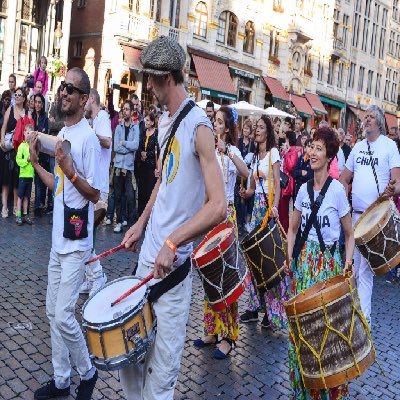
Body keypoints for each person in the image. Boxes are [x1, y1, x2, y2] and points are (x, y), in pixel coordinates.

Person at [119, 36, 226, 400]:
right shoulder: (166, 121)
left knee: (160, 378)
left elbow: (218, 206)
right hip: (147, 262)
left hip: (173, 271)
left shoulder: (199, 126)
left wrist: (173, 241)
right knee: (128, 362)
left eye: (151, 79)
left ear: (167, 78)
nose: (147, 86)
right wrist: (141, 223)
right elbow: (164, 182)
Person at [30, 68, 100, 400]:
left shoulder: (88, 139)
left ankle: (87, 373)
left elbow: (95, 194)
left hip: (76, 244)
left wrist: (71, 172)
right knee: (51, 311)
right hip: (58, 241)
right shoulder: (63, 134)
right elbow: (57, 185)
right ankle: (61, 380)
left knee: (63, 315)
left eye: (70, 89)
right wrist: (36, 162)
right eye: (62, 87)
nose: (63, 93)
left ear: (84, 99)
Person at [285, 126, 354, 400]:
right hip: (304, 266)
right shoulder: (302, 190)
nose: (312, 152)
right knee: (303, 334)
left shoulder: (337, 191)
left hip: (327, 268)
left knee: (328, 336)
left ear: (329, 156)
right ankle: (303, 393)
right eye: (311, 146)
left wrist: (347, 262)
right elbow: (292, 229)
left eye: (319, 148)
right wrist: (290, 257)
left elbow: (349, 234)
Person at [194, 105, 248, 359]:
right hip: (209, 214)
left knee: (227, 276)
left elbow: (246, 173)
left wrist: (229, 152)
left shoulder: (233, 151)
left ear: (226, 128)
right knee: (210, 274)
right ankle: (211, 330)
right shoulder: (208, 150)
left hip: (227, 215)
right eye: (213, 121)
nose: (213, 124)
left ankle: (228, 336)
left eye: (218, 122)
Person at [340, 105, 400, 326]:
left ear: (380, 122)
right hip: (355, 218)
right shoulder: (357, 147)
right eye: (365, 117)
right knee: (353, 268)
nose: (366, 120)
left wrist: (393, 189)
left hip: (376, 219)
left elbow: (398, 183)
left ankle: (363, 321)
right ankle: (356, 316)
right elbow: (344, 178)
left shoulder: (389, 146)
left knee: (364, 271)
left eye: (371, 117)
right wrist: (342, 201)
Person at [239, 115, 288, 330]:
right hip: (257, 208)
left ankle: (271, 312)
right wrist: (245, 193)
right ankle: (254, 307)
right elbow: (252, 187)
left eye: (260, 127)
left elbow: (277, 183)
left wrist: (275, 207)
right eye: (255, 127)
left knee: (270, 261)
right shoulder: (254, 157)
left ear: (268, 131)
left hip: (268, 208)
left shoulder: (273, 153)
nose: (256, 130)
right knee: (255, 259)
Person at [80, 88, 112, 295]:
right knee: (85, 235)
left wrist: (91, 133)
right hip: (92, 186)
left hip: (99, 188)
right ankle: (90, 277)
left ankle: (98, 276)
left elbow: (107, 141)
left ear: (91, 99)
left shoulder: (102, 118)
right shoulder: (94, 120)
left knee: (86, 235)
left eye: (85, 100)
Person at [113, 100, 139, 233]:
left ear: (132, 111)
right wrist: (128, 148)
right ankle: (118, 222)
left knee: (130, 197)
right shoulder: (118, 128)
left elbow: (136, 145)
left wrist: (123, 143)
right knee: (118, 195)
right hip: (118, 166)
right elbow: (116, 147)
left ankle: (131, 224)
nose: (124, 111)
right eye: (123, 109)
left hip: (129, 167)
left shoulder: (135, 128)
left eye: (127, 109)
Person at [0, 87, 27, 218]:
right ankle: (4, 207)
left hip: (19, 151)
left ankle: (16, 206)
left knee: (16, 180)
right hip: (7, 150)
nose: (16, 96)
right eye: (15, 94)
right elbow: (3, 128)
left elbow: (29, 130)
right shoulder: (10, 110)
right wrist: (2, 139)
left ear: (24, 98)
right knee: (5, 180)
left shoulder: (26, 113)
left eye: (19, 95)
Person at [136, 111, 159, 217]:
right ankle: (140, 215)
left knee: (149, 192)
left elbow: (157, 150)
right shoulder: (143, 132)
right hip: (142, 167)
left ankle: (149, 217)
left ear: (153, 122)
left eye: (148, 120)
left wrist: (147, 154)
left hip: (151, 167)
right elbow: (139, 146)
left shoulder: (156, 133)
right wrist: (141, 153)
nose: (146, 122)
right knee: (141, 191)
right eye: (146, 120)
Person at [32, 93, 50, 216]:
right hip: (32, 151)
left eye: (39, 102)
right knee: (35, 179)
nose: (37, 104)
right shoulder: (31, 116)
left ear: (42, 104)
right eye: (36, 102)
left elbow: (44, 135)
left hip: (43, 153)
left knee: (40, 179)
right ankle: (38, 204)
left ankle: (39, 205)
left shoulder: (45, 118)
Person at [236, 118, 255, 231]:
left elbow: (251, 158)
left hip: (247, 173)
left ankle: (244, 221)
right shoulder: (238, 141)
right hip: (238, 172)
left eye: (248, 129)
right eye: (244, 128)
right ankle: (238, 220)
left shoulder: (252, 144)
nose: (246, 130)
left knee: (246, 196)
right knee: (238, 195)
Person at [279, 130, 299, 233]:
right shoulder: (288, 150)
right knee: (280, 210)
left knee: (284, 212)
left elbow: (291, 167)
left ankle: (285, 233)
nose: (284, 141)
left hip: (287, 185)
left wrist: (286, 153)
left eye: (286, 139)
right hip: (282, 183)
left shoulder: (294, 151)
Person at [15, 124, 34, 225]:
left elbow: (35, 159)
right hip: (23, 176)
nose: (29, 135)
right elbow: (18, 160)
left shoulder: (33, 146)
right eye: (27, 133)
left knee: (27, 197)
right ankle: (18, 215)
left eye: (31, 133)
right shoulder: (22, 146)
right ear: (24, 133)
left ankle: (26, 215)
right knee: (20, 196)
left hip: (30, 176)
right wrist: (26, 160)